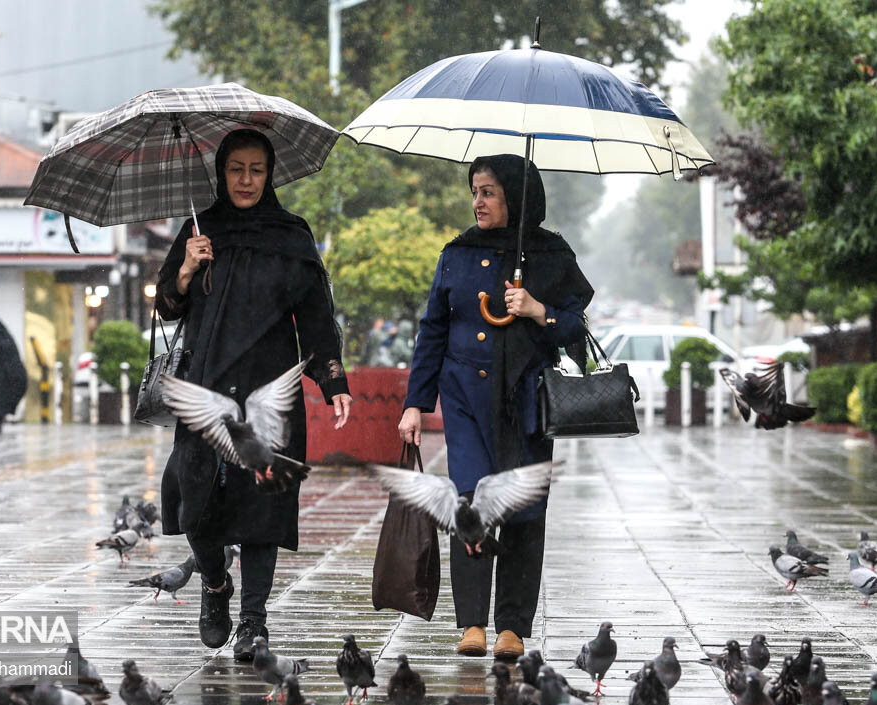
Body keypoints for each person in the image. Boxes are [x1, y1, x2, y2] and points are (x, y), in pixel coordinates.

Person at [155, 129, 352, 658]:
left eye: (256, 170)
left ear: (269, 176)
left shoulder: (291, 234)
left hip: (270, 388)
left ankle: (254, 623)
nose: (245, 180)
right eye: (236, 169)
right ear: (221, 173)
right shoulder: (200, 229)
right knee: (195, 504)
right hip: (206, 387)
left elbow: (315, 317)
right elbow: (166, 307)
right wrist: (187, 268)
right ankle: (215, 584)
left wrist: (333, 381)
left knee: (262, 509)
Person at [398, 154, 594, 660]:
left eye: (488, 192)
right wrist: (415, 404)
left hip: (527, 402)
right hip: (464, 398)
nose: (477, 201)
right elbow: (433, 329)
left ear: (516, 196)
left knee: (526, 511)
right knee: (473, 506)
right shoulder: (456, 253)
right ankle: (471, 625)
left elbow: (576, 328)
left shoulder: (550, 255)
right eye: (475, 191)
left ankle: (512, 626)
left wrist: (537, 311)